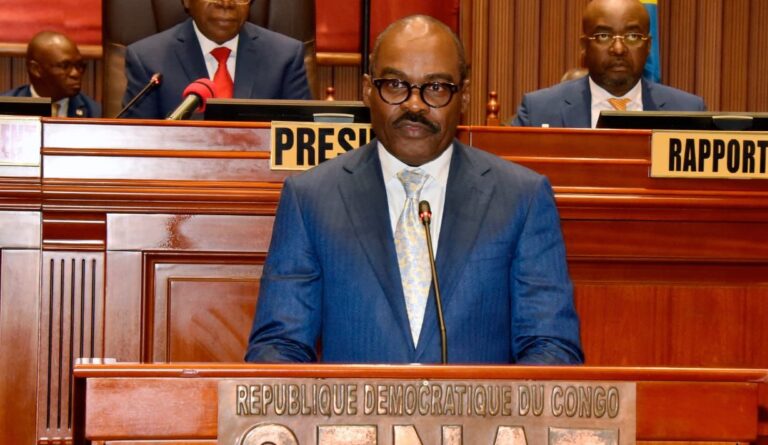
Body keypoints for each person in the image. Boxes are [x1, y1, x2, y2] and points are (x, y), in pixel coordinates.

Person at [246, 15, 583, 365]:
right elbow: (278, 346)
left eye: (436, 88)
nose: (414, 105)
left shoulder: (522, 198)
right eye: (395, 84)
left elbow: (551, 347)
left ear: (463, 96)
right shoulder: (311, 198)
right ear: (367, 91)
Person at [512, 0, 705, 128]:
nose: (619, 49)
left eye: (632, 36)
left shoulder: (690, 113)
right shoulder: (538, 111)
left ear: (648, 46)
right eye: (603, 35)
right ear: (584, 46)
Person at [122, 0, 311, 119]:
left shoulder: (284, 56)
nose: (226, 3)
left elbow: (302, 140)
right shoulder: (147, 59)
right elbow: (136, 143)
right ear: (187, 2)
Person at [2, 31, 100, 118]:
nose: (75, 73)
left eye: (79, 66)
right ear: (35, 69)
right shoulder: (4, 111)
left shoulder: (96, 114)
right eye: (64, 66)